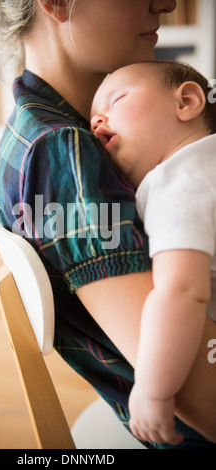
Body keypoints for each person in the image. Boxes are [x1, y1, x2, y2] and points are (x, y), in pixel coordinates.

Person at [0, 0, 216, 448]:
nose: (167, 3)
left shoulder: (56, 128)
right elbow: (196, 387)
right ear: (56, 3)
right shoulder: (62, 153)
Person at [91, 60, 216, 445]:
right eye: (93, 119)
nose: (97, 124)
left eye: (117, 100)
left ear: (187, 102)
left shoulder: (177, 181)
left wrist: (153, 388)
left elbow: (180, 291)